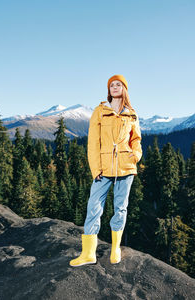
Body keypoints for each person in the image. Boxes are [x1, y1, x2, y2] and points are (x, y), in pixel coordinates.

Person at [70, 74, 142, 267]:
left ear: (124, 89)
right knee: (93, 207)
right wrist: (96, 169)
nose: (115, 87)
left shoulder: (132, 113)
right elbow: (93, 142)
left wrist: (135, 155)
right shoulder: (100, 111)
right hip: (103, 169)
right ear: (108, 89)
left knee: (120, 208)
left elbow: (136, 139)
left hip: (126, 168)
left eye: (119, 84)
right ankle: (88, 254)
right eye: (112, 85)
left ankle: (115, 248)